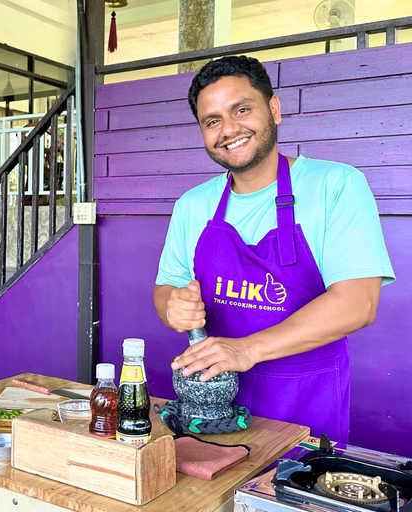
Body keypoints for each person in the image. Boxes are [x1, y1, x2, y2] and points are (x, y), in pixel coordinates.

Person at [152, 56, 394, 442]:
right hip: (216, 411)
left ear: (274, 109)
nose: (228, 130)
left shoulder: (337, 185)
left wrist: (247, 351)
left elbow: (358, 303)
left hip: (305, 406)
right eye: (212, 121)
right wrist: (172, 306)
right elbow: (166, 289)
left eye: (242, 110)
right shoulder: (192, 205)